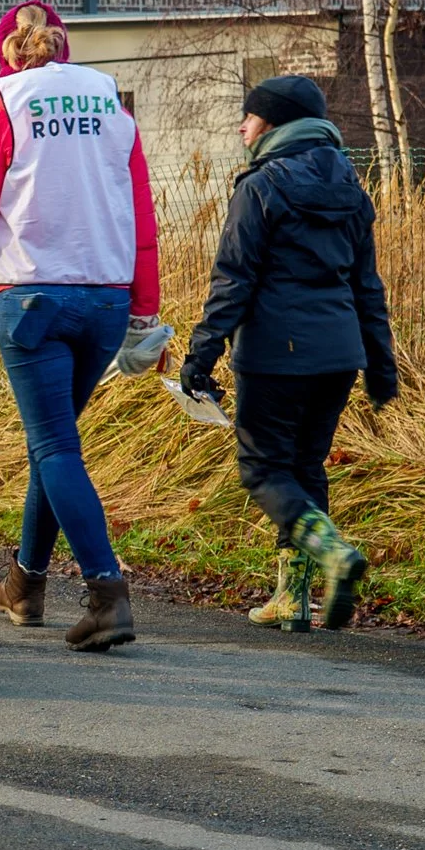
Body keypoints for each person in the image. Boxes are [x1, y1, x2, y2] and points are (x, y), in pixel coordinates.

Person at [0, 0, 165, 653]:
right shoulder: (112, 107)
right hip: (105, 301)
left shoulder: (0, 108)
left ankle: (107, 593)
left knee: (54, 447)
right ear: (63, 46)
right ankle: (25, 584)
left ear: (6, 53)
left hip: (32, 300)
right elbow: (140, 214)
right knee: (54, 444)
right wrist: (144, 310)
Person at [178, 75, 398, 632]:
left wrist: (200, 356)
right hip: (339, 355)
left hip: (275, 353)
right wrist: (380, 363)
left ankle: (333, 553)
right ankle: (292, 599)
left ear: (274, 124)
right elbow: (367, 286)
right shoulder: (350, 186)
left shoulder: (260, 186)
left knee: (263, 468)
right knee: (305, 467)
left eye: (250, 117)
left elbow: (233, 280)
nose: (242, 127)